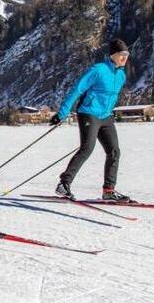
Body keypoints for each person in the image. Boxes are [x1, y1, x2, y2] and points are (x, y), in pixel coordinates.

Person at [49, 38, 132, 201]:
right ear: (113, 55)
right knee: (87, 148)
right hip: (88, 113)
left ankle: (109, 190)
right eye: (121, 54)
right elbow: (77, 89)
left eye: (127, 55)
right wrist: (62, 113)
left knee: (114, 151)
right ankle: (63, 184)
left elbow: (110, 97)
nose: (124, 58)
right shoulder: (98, 70)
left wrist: (109, 111)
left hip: (106, 116)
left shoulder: (121, 75)